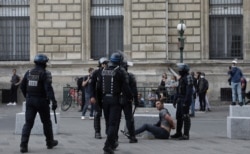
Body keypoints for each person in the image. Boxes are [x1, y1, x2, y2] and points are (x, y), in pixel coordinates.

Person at [19, 54, 58, 153]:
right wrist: (53, 101)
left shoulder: (28, 72)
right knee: (46, 122)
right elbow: (48, 89)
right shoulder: (44, 73)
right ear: (44, 63)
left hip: (30, 101)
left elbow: (22, 86)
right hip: (41, 101)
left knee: (28, 123)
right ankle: (49, 142)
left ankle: (23, 145)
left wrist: (28, 96)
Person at [99, 51, 133, 154]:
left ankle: (113, 143)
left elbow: (98, 87)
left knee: (109, 123)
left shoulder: (103, 71)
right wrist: (131, 97)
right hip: (115, 100)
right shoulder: (120, 71)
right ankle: (107, 146)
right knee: (113, 124)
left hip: (105, 100)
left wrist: (99, 101)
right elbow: (126, 87)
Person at [116, 61, 138, 144]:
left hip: (117, 100)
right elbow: (134, 90)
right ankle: (132, 136)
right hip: (127, 100)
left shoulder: (116, 76)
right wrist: (135, 100)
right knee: (129, 119)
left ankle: (115, 137)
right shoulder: (130, 76)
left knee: (116, 119)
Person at [171, 63, 193, 140]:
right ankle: (178, 132)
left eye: (180, 70)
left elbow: (189, 91)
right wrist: (174, 99)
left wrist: (186, 102)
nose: (179, 71)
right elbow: (178, 90)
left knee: (185, 116)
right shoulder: (181, 78)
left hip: (185, 99)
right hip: (180, 99)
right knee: (179, 116)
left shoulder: (188, 77)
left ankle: (186, 134)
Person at [89, 57, 109, 139]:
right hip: (98, 96)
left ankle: (108, 131)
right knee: (97, 114)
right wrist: (92, 96)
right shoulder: (96, 73)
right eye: (104, 63)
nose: (105, 65)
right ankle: (97, 132)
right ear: (100, 64)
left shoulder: (109, 72)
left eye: (106, 63)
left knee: (108, 115)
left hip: (107, 97)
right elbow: (91, 85)